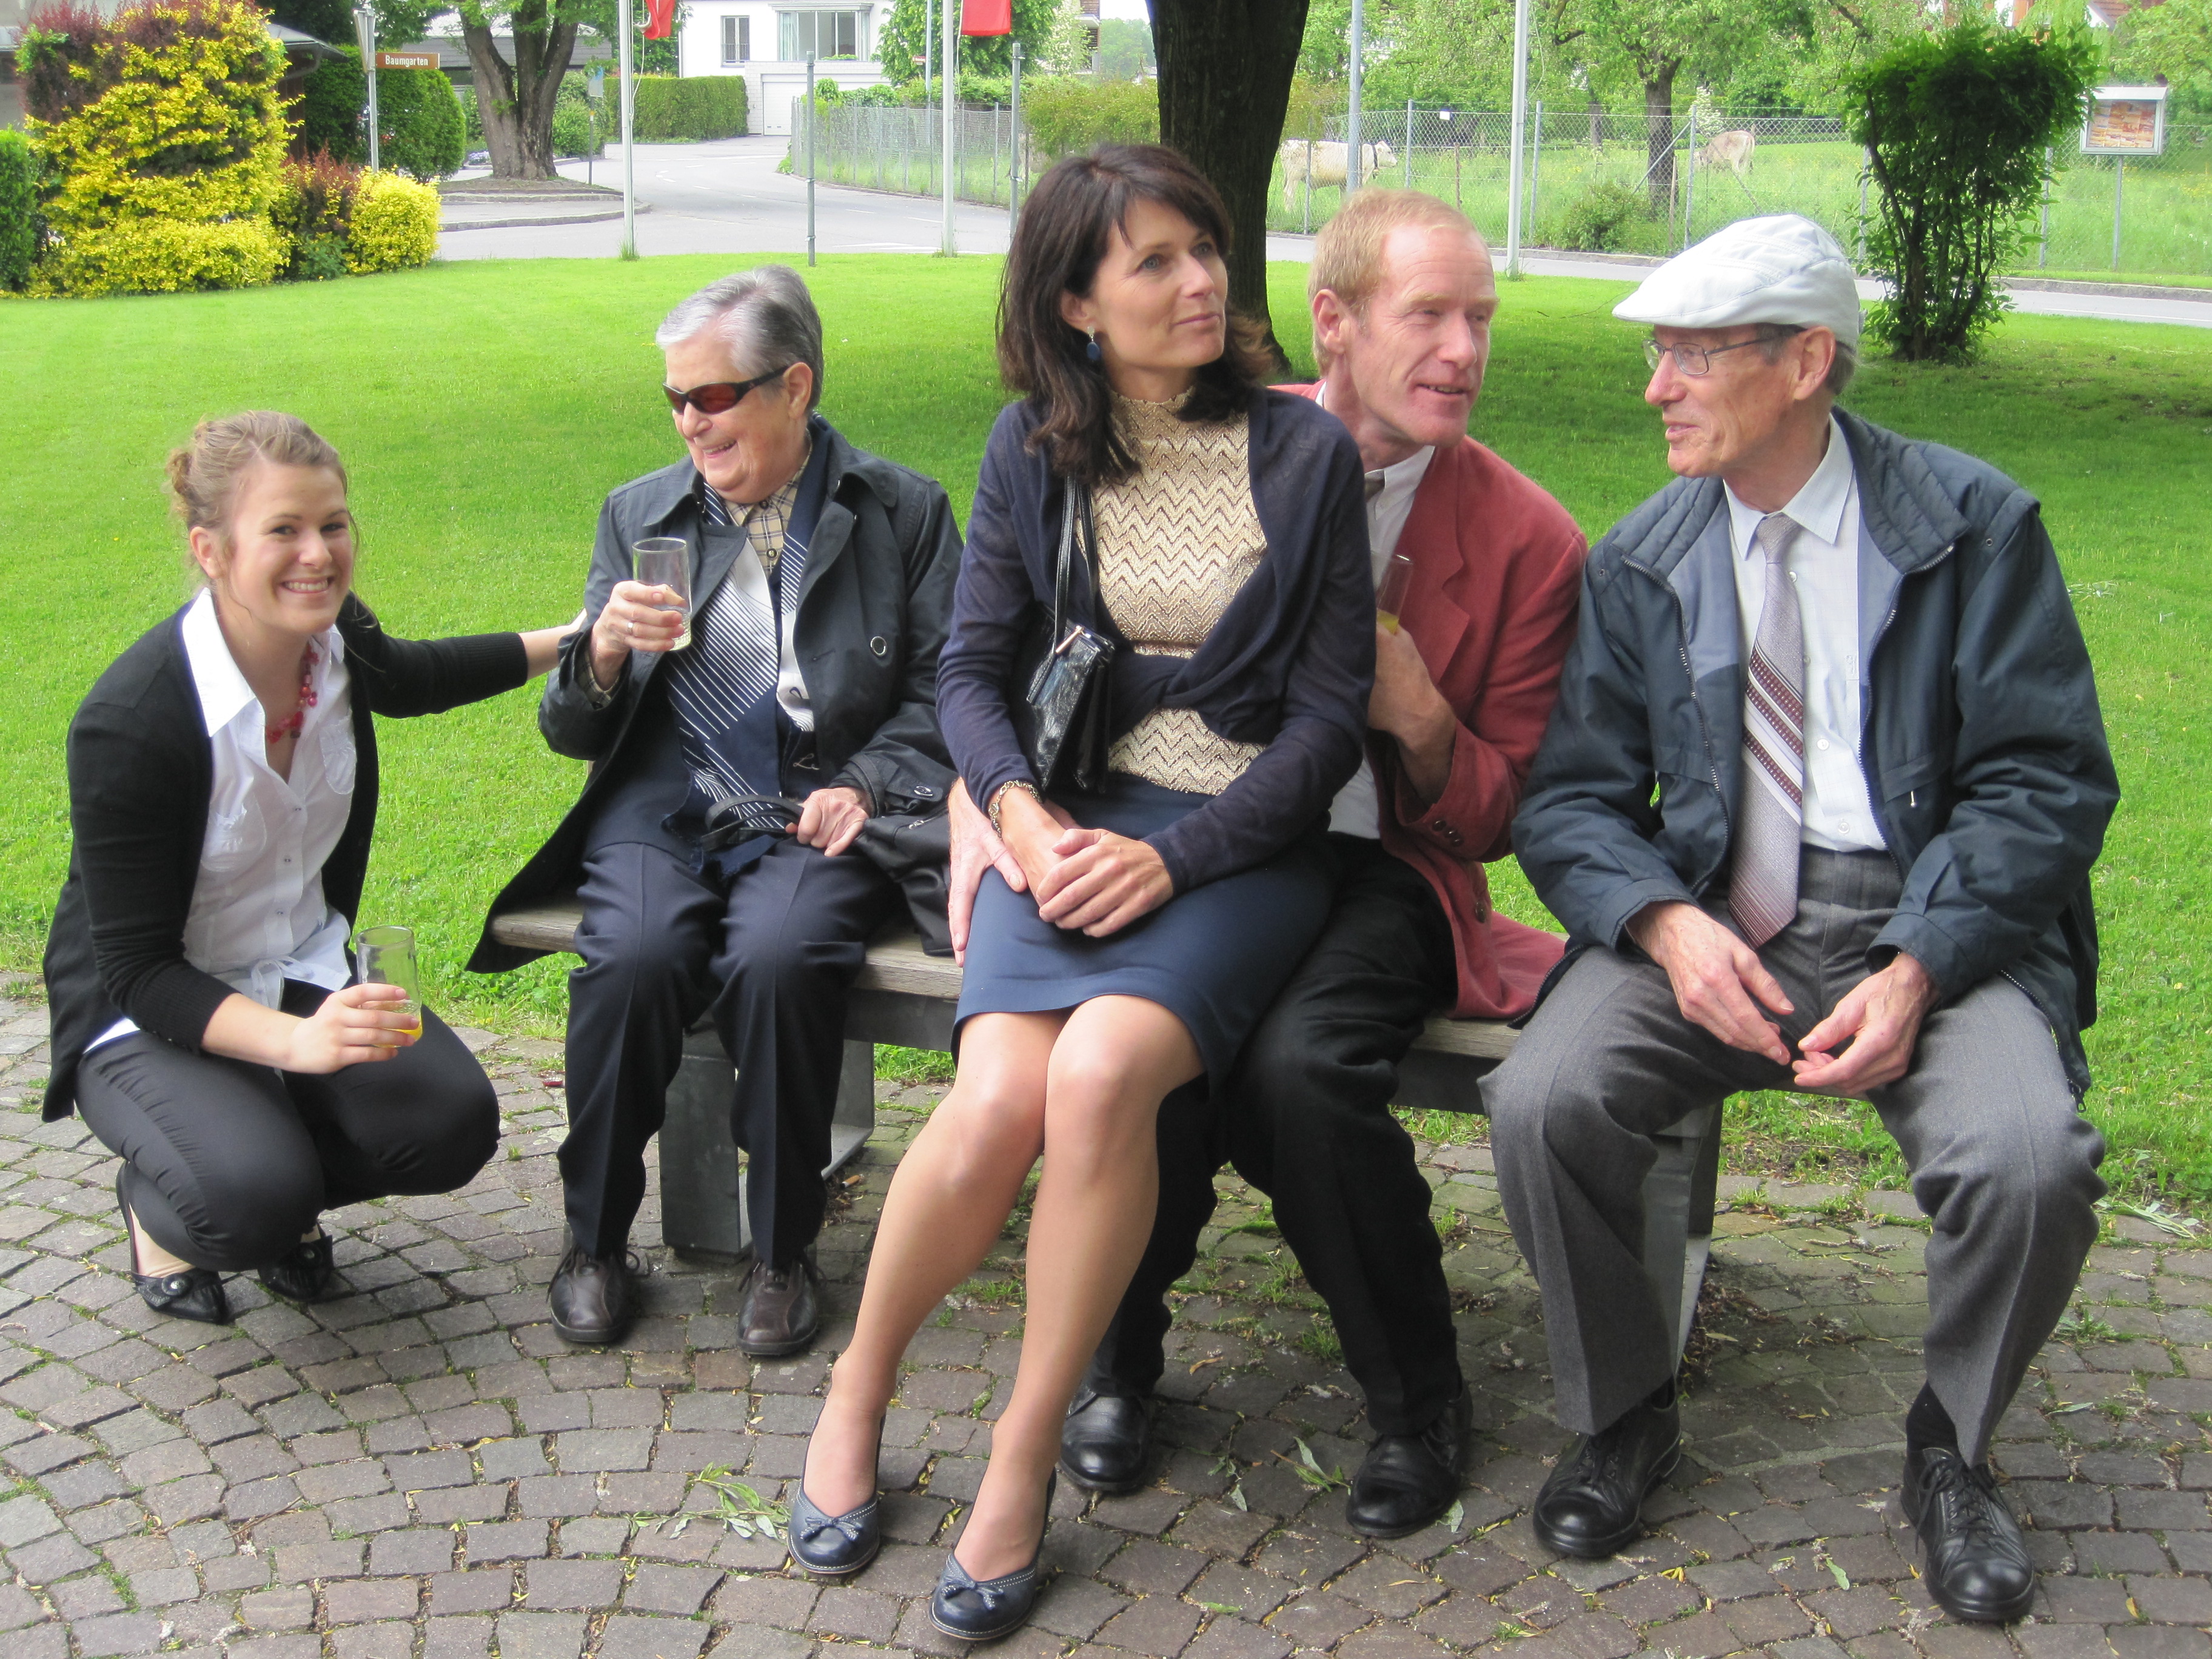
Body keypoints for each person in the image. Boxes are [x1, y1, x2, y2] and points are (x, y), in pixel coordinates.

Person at [1483, 215, 2116, 1624]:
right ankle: (1625, 1411)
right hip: (1717, 920)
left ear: (1807, 361)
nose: (1656, 387)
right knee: (1542, 1103)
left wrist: (1921, 963)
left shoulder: (1974, 528)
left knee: (2030, 1162)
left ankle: (1950, 1448)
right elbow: (1572, 800)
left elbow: (2044, 782)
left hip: (1934, 921)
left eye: (1693, 356)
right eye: (1658, 353)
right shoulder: (1643, 559)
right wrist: (1663, 923)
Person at [943, 189, 1587, 1538]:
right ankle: (1116, 1363)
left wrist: (1421, 719)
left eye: (1481, 319)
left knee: (1295, 1070)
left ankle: (1417, 1401)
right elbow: (1028, 649)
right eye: (1430, 315)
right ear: (1333, 321)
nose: (1464, 350)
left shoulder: (1529, 542)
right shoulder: (1210, 431)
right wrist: (983, 798)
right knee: (1136, 1049)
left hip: (1379, 862)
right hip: (1174, 827)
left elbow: (1503, 817)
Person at [794, 146, 1373, 1642]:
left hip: (1236, 846)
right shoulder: (1032, 448)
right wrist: (1018, 814)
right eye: (1154, 262)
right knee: (997, 1100)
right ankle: (858, 1388)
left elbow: (1325, 727)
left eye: (1206, 250)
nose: (1200, 283)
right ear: (1075, 303)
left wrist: (1176, 856)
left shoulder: (1306, 453)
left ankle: (1021, 1448)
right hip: (1062, 821)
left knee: (1104, 1073)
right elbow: (971, 672)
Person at [472, 266, 962, 1355]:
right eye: (675, 400)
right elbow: (572, 731)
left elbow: (946, 692)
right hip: (668, 803)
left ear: (796, 386)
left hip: (811, 804)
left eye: (713, 396)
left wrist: (864, 784)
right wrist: (600, 655)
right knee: (635, 958)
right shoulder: (640, 513)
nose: (691, 422)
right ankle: (594, 1241)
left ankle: (782, 1251)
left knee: (781, 958)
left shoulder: (902, 512)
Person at [43, 412, 574, 1327]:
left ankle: (269, 1166)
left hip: (296, 962)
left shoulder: (336, 643)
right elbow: (138, 971)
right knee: (249, 1198)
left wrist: (581, 638)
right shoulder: (131, 723)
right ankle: (171, 1207)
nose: (318, 556)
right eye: (283, 530)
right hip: (151, 1007)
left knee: (450, 1126)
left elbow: (417, 676)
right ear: (211, 550)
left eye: (333, 525)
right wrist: (298, 1045)